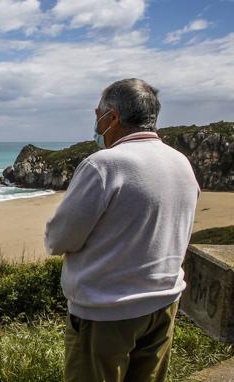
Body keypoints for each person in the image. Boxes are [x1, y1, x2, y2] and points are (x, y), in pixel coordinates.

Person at [44, 78, 200, 382]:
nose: (96, 125)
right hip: (163, 304)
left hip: (106, 312)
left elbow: (60, 238)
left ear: (112, 117)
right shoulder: (181, 163)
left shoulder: (103, 166)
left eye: (97, 115)